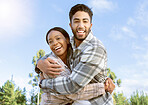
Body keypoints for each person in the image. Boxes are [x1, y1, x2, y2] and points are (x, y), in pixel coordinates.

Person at [36, 4, 115, 105]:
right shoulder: (70, 43)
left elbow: (73, 86)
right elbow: (51, 55)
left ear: (90, 25)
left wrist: (43, 84)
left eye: (85, 21)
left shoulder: (95, 48)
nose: (81, 25)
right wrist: (39, 63)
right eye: (76, 21)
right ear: (71, 25)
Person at [39, 27, 110, 105]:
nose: (55, 43)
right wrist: (102, 88)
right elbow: (72, 91)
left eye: (58, 38)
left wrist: (104, 80)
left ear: (67, 40)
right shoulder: (51, 64)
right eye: (50, 42)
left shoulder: (75, 53)